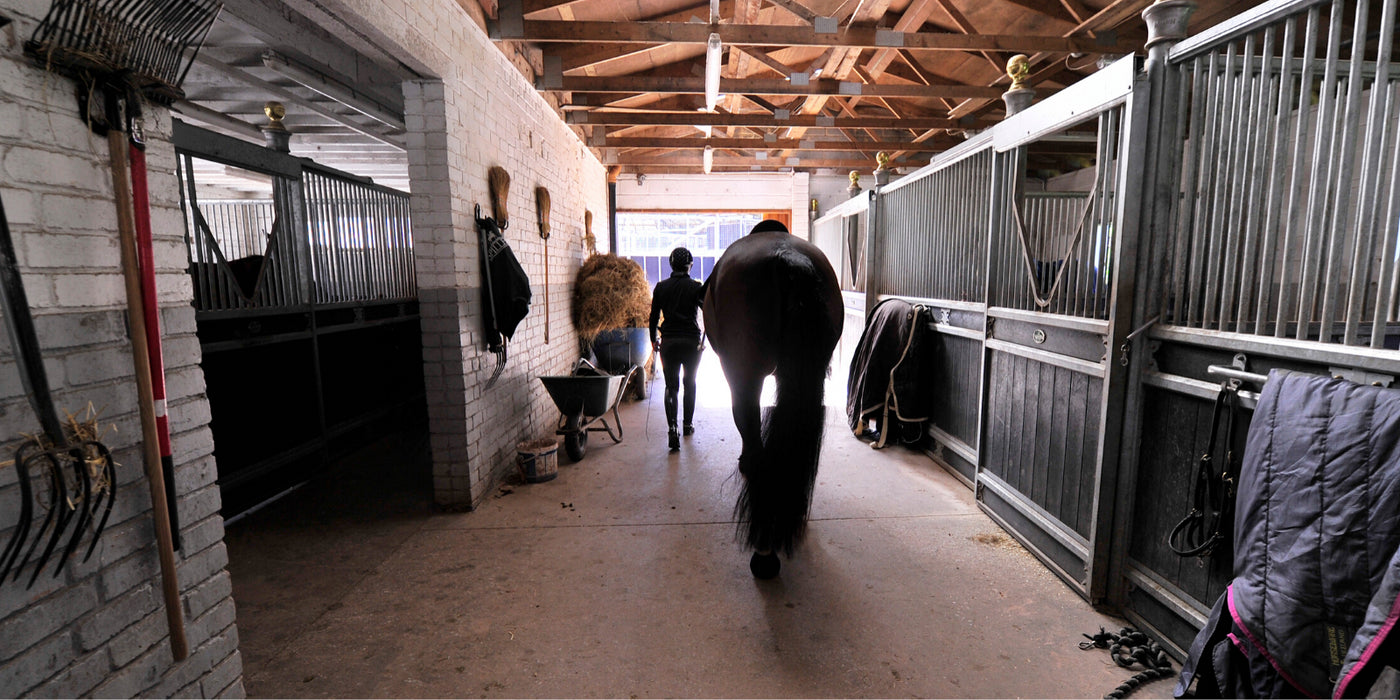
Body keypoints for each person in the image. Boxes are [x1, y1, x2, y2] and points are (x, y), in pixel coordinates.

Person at [649, 247, 704, 452]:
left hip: (669, 342)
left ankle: (672, 428)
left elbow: (653, 317)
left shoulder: (661, 287)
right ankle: (687, 425)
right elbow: (708, 311)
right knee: (690, 382)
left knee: (671, 386)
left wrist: (654, 340)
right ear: (690, 265)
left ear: (671, 265)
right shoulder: (696, 287)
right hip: (691, 342)